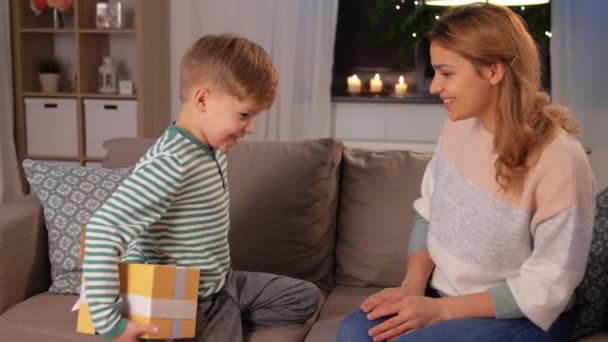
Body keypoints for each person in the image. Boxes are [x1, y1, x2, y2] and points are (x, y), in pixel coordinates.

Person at [338, 3, 595, 342]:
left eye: (446, 73)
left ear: (493, 72)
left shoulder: (561, 159)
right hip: (440, 296)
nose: (434, 87)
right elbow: (428, 213)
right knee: (355, 332)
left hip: (517, 315)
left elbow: (549, 286)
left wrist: (440, 312)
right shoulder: (458, 128)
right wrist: (412, 289)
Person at [82, 33, 320, 342]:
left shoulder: (211, 148)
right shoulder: (171, 162)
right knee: (212, 318)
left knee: (305, 297)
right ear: (203, 99)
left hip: (221, 284)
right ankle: (192, 323)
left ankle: (226, 312)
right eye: (244, 115)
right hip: (188, 300)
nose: (251, 128)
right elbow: (103, 228)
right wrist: (110, 323)